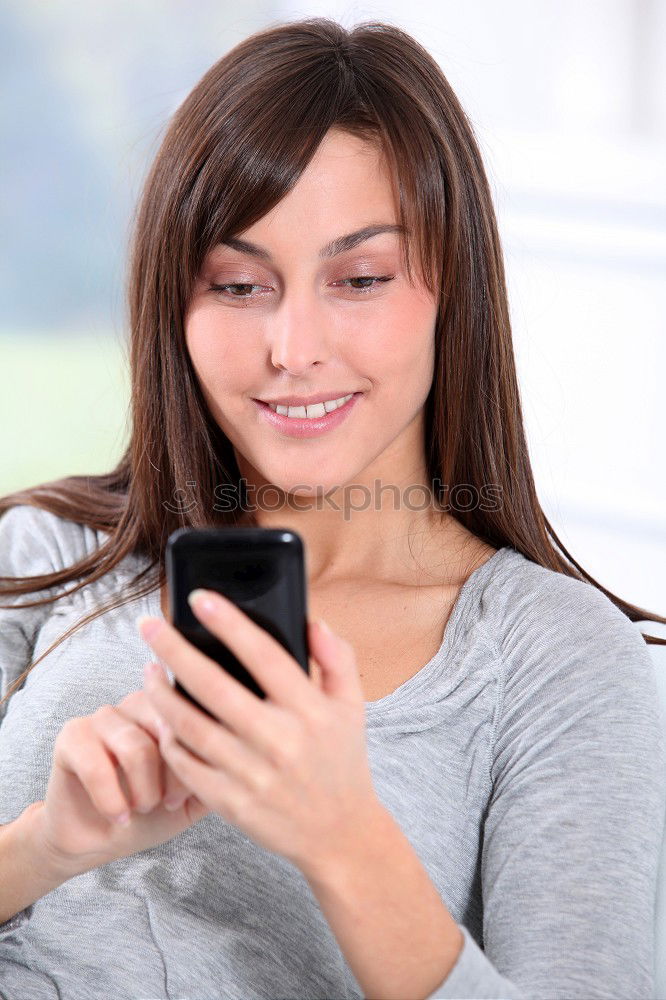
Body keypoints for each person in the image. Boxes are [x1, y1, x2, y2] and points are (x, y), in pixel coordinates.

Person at [1, 16, 665, 1000]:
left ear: (454, 292)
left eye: (358, 279)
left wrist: (341, 834)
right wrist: (48, 842)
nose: (294, 346)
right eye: (237, 284)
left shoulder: (556, 662)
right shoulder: (52, 550)